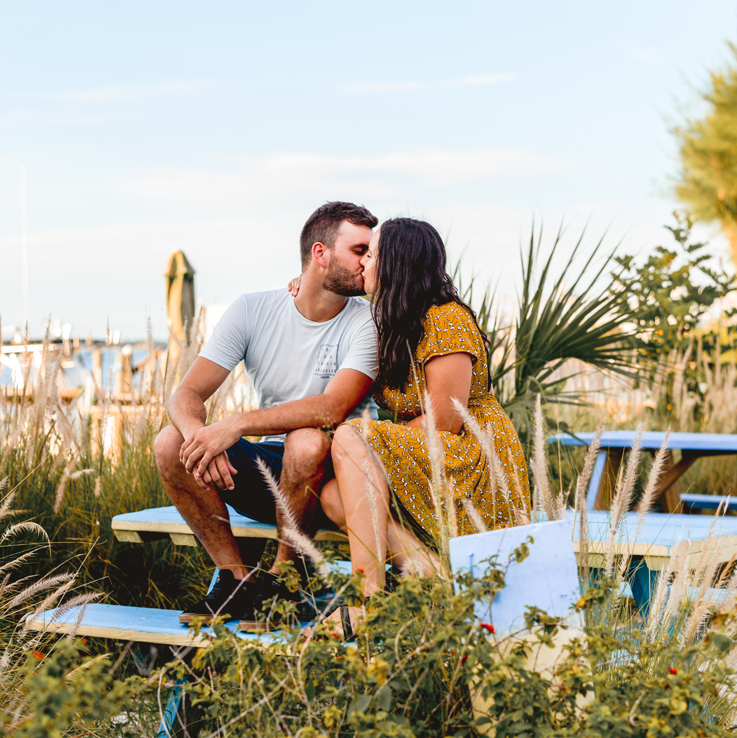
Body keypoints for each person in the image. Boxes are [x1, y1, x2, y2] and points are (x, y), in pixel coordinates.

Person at [154, 201, 380, 631]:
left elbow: (331, 409)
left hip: (333, 482)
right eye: (359, 250)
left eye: (371, 252)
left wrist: (235, 424)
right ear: (320, 254)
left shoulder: (367, 321)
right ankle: (234, 579)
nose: (368, 261)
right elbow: (186, 392)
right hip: (270, 476)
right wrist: (201, 436)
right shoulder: (253, 310)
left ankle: (284, 581)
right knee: (171, 441)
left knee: (308, 439)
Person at [312, 217, 530, 630]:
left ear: (395, 264)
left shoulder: (445, 318)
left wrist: (371, 445)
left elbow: (446, 420)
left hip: (472, 450)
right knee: (333, 498)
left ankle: (368, 601)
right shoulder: (395, 320)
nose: (363, 264)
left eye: (371, 255)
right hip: (429, 453)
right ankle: (434, 579)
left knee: (351, 437)